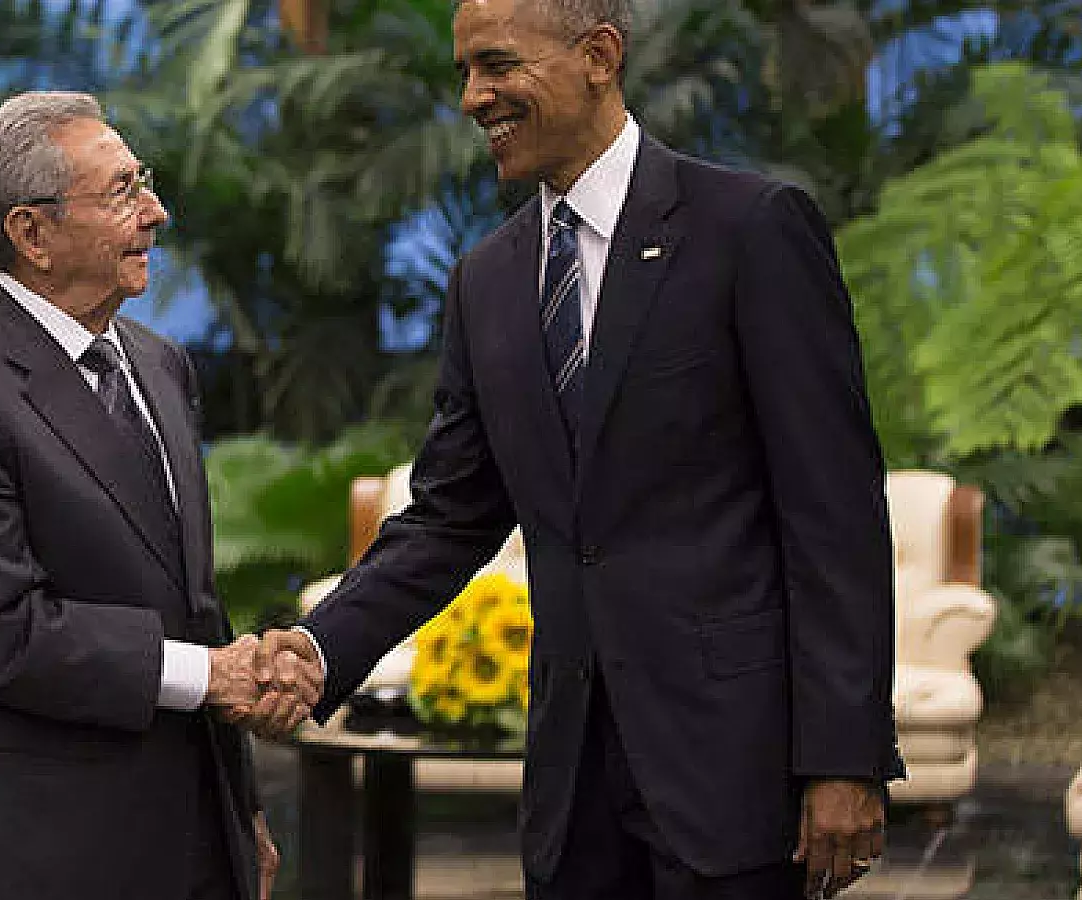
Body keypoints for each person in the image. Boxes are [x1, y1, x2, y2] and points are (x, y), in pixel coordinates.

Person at [256, 1, 905, 898]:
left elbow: (834, 513)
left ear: (599, 56)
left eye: (496, 66)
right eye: (464, 73)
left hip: (734, 773)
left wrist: (845, 757)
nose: (473, 97)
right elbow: (450, 515)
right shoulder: (485, 281)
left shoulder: (749, 229)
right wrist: (321, 649)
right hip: (572, 791)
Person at [0, 91, 317, 900]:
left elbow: (193, 603)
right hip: (32, 850)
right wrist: (210, 676)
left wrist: (237, 808)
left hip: (186, 836)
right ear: (31, 235)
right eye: (122, 193)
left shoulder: (159, 362)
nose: (158, 213)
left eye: (143, 182)